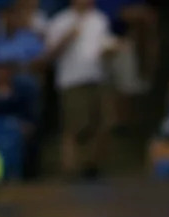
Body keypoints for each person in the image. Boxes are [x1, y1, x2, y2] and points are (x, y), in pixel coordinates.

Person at [45, 0, 116, 178]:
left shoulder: (100, 19)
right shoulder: (60, 21)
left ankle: (91, 167)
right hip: (72, 80)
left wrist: (110, 50)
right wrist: (67, 37)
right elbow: (49, 54)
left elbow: (104, 44)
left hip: (98, 78)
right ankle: (69, 170)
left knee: (103, 123)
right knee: (74, 126)